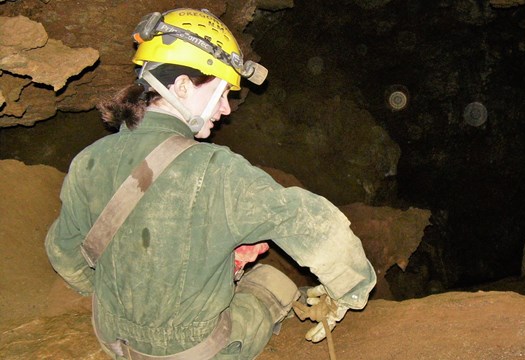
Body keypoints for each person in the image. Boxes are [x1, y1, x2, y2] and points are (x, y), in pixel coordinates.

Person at [45, 7, 376, 360]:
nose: (227, 109)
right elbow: (318, 227)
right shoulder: (218, 172)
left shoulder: (88, 160)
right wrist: (349, 291)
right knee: (273, 282)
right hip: (193, 351)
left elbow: (63, 252)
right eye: (221, 93)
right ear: (183, 86)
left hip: (113, 342)